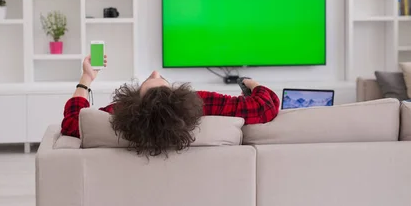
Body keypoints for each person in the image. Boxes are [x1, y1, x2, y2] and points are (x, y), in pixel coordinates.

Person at [61, 55, 280, 156]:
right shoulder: (203, 103)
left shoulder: (117, 115)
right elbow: (264, 108)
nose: (155, 72)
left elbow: (73, 122)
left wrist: (86, 78)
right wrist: (252, 83)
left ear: (132, 104)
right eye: (160, 78)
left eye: (150, 78)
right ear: (179, 97)